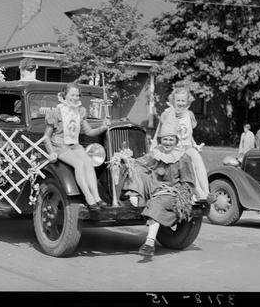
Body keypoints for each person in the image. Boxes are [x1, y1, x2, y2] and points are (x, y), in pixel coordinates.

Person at [122, 112, 196, 257]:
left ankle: (149, 243)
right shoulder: (156, 153)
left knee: (157, 204)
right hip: (154, 188)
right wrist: (126, 159)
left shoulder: (183, 157)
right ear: (161, 140)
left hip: (170, 192)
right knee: (135, 168)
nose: (167, 143)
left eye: (170, 140)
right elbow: (140, 163)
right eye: (165, 140)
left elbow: (188, 182)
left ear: (175, 141)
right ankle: (134, 193)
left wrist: (183, 195)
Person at [43, 82, 110, 211]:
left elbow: (89, 132)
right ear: (64, 95)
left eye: (77, 95)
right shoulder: (56, 112)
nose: (75, 98)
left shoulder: (80, 111)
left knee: (88, 162)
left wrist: (103, 126)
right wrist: (51, 153)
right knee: (79, 164)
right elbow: (46, 137)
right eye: (72, 95)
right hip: (59, 145)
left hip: (75, 145)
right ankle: (89, 198)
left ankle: (97, 198)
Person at [151, 87, 213, 202]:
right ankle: (199, 193)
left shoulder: (189, 114)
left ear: (187, 102)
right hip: (175, 148)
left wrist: (195, 145)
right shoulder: (168, 113)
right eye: (178, 101)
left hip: (187, 146)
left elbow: (189, 133)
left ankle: (207, 192)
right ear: (173, 101)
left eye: (183, 101)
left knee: (197, 158)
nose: (180, 103)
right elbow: (162, 132)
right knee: (189, 163)